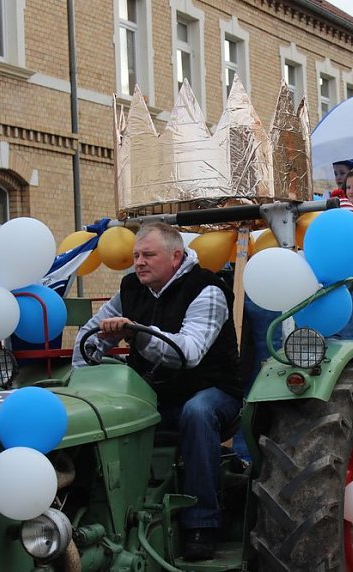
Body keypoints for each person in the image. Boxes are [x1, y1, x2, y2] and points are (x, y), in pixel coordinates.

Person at [72, 223, 241, 562]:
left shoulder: (208, 289)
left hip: (214, 390)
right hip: (155, 395)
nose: (139, 262)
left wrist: (137, 333)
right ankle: (97, 515)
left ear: (176, 256)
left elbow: (188, 353)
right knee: (106, 412)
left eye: (148, 255)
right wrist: (91, 356)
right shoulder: (131, 289)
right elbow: (86, 337)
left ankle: (202, 524)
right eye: (136, 255)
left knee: (198, 412)